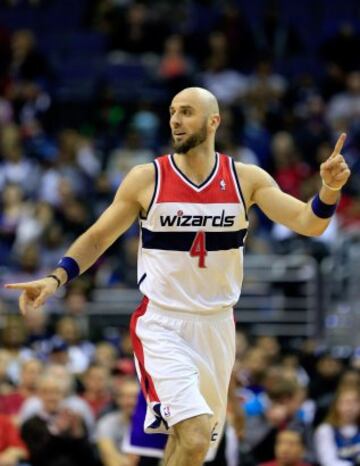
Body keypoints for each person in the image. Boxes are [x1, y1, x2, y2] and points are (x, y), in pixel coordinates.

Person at [5, 87, 351, 466]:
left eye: (186, 112)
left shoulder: (245, 178)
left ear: (213, 120)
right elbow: (98, 236)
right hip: (163, 325)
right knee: (196, 432)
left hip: (218, 326)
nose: (175, 120)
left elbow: (308, 222)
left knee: (190, 446)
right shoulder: (146, 178)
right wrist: (54, 279)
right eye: (172, 112)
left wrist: (329, 189)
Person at [314, 384, 360, 466]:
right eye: (346, 402)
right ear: (336, 405)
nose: (350, 407)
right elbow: (328, 461)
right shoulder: (325, 430)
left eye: (355, 402)